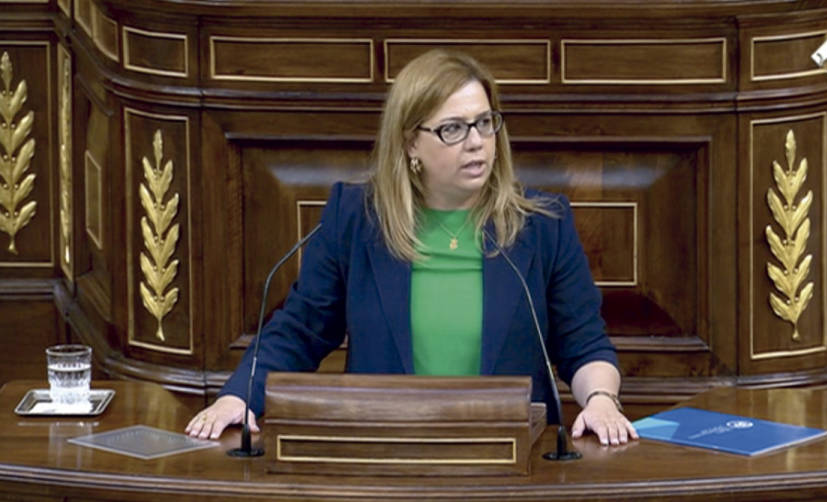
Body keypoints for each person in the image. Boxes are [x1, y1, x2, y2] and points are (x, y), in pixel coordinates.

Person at [185, 49, 638, 447]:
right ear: (409, 143)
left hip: (513, 458)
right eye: (453, 129)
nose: (477, 142)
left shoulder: (541, 225)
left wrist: (601, 401)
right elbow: (301, 329)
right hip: (386, 453)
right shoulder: (356, 218)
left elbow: (583, 342)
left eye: (485, 122)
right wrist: (239, 396)